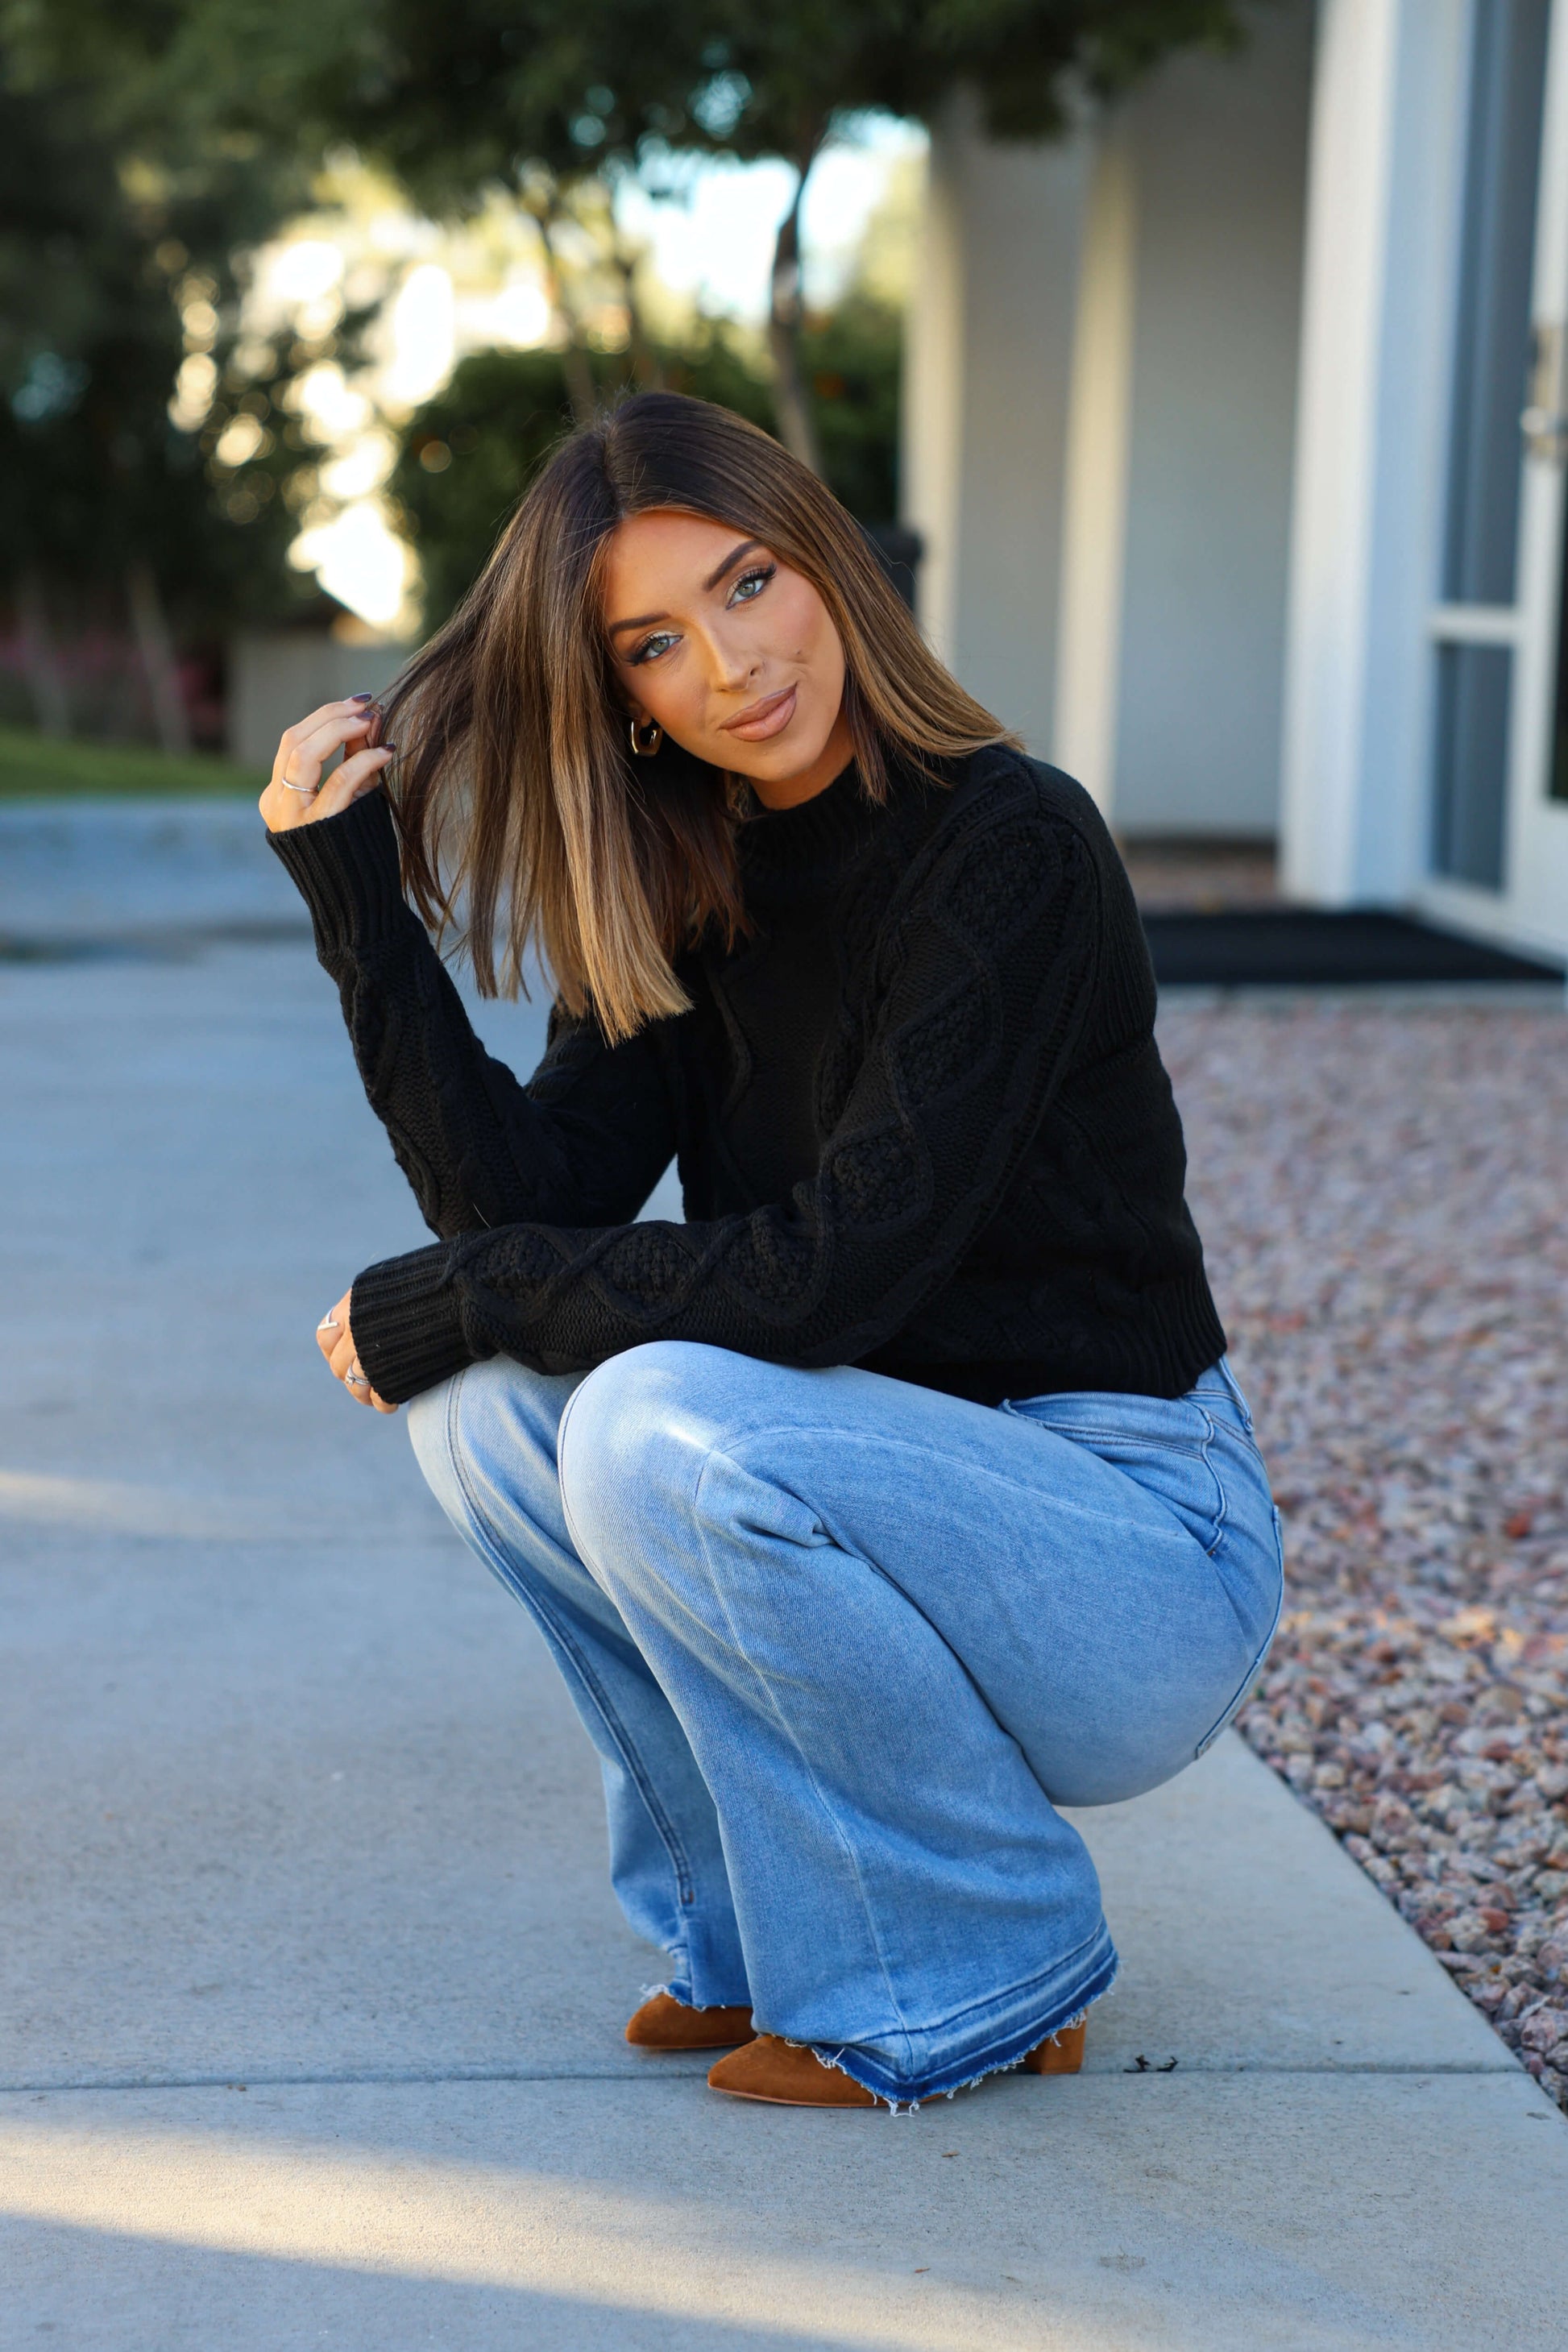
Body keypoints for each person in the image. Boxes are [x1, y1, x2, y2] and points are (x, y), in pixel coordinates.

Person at [261, 392, 1282, 2112]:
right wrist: (355, 897)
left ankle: (976, 1949)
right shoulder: (687, 871)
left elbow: (833, 1276)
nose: (731, 666)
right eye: (658, 642)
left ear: (825, 562)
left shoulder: (1009, 842)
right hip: (890, 1491)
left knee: (649, 1410)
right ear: (624, 699)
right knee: (488, 1403)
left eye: (747, 585)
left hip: (1128, 1547)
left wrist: (486, 1288)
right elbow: (531, 1207)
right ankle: (750, 1924)